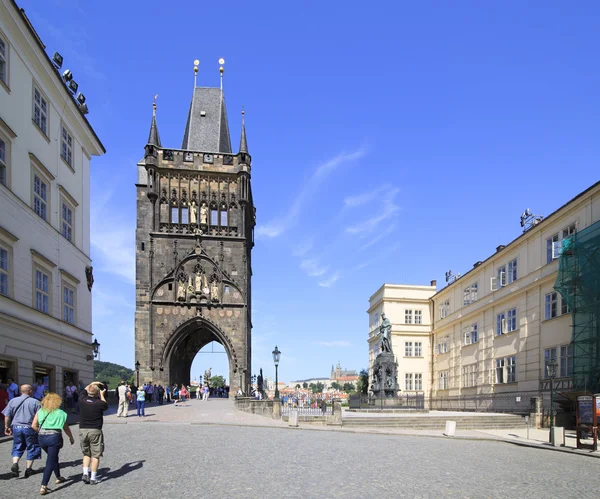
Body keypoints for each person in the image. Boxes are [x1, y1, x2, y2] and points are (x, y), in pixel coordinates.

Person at [32, 393, 75, 495]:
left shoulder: (40, 411)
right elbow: (66, 428)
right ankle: (44, 485)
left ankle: (59, 477)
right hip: (54, 438)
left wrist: (41, 432)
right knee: (50, 460)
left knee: (53, 457)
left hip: (42, 438)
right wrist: (71, 437)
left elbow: (33, 425)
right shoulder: (61, 413)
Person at [2, 384, 41, 478]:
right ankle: (28, 469)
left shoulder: (13, 401)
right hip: (29, 428)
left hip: (16, 427)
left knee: (17, 446)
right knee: (32, 447)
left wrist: (7, 427)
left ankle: (15, 463)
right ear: (30, 391)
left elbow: (7, 416)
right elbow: (40, 417)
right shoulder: (36, 402)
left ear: (21, 391)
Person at [78, 382, 108, 485]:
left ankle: (85, 473)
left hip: (82, 430)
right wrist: (102, 395)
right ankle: (93, 478)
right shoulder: (99, 403)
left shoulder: (82, 400)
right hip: (95, 430)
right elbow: (105, 405)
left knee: (86, 453)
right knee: (95, 455)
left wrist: (92, 383)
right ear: (97, 393)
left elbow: (84, 390)